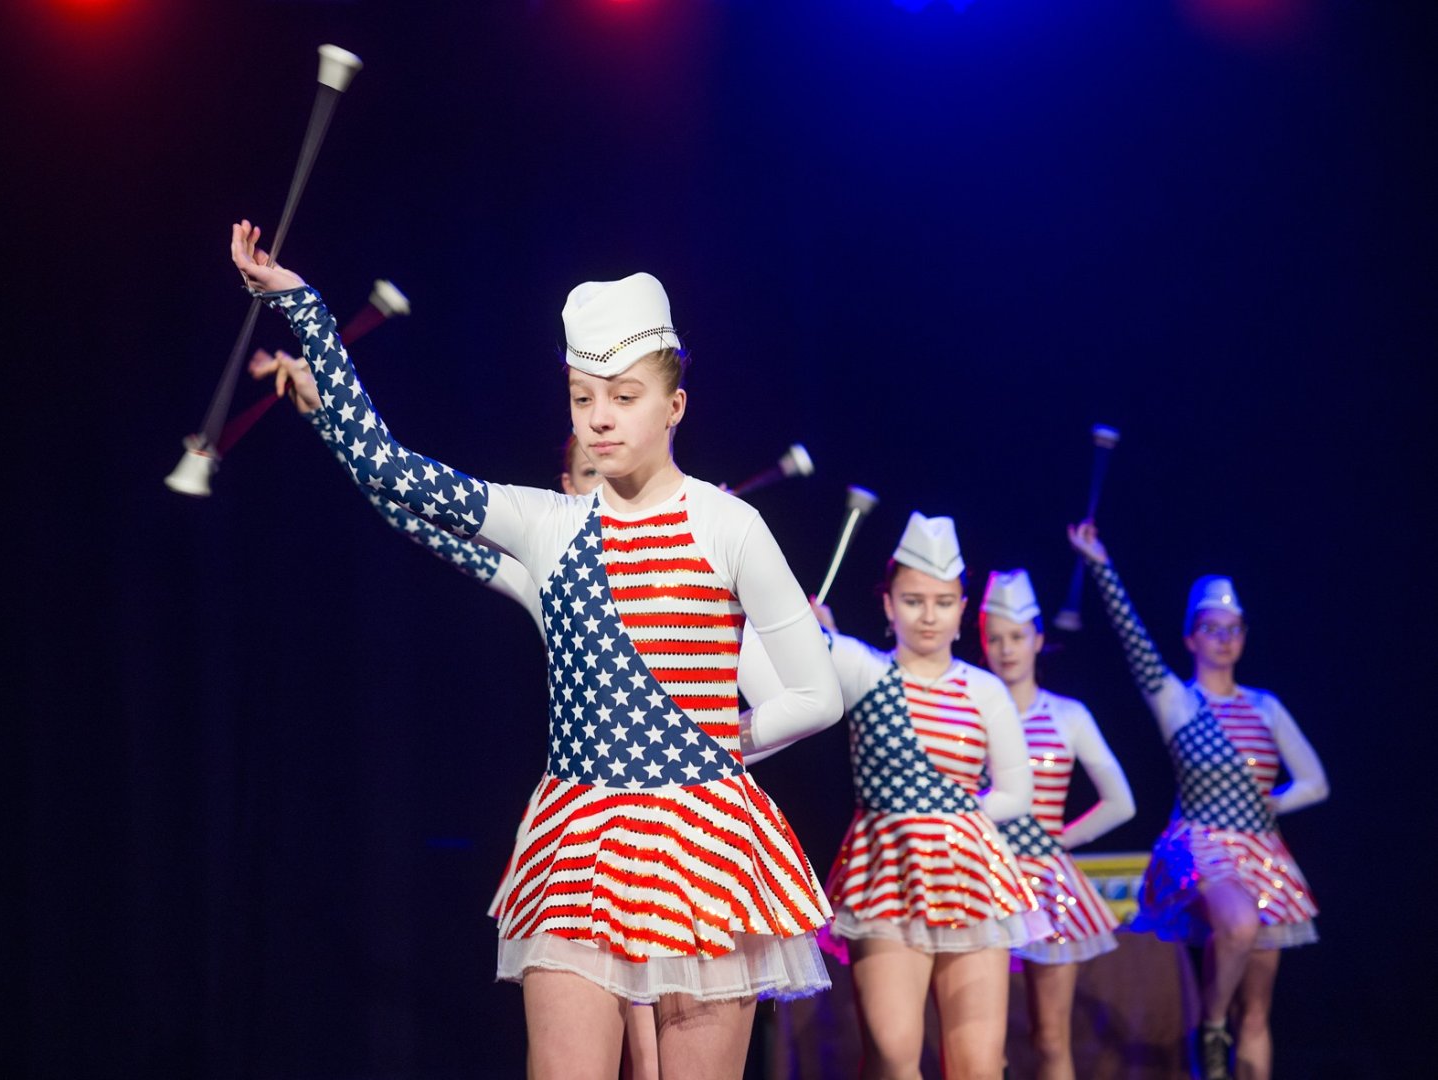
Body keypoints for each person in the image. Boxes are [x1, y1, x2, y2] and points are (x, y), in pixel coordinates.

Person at [229, 220, 843, 1080]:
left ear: (674, 405)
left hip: (703, 841)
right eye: (583, 397)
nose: (600, 418)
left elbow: (817, 694)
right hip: (580, 840)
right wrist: (305, 309)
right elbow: (388, 472)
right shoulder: (548, 525)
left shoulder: (729, 525)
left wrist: (716, 746)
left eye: (623, 396)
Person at [1066, 522, 1327, 1080]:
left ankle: (1221, 1043)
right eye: (1211, 628)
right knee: (1239, 924)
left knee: (1256, 1012)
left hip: (1263, 854)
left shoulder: (1265, 706)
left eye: (1233, 630)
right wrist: (1101, 566)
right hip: (1201, 843)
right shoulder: (1177, 702)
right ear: (1191, 638)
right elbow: (1135, 642)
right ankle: (1209, 1025)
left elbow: (1314, 782)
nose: (1224, 639)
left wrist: (1273, 804)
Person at [812, 512, 1041, 1080]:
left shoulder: (985, 689)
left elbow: (1016, 792)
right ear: (889, 605)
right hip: (885, 873)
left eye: (943, 602)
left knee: (978, 1066)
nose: (929, 616)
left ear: (963, 609)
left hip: (970, 875)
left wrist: (949, 821)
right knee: (893, 1056)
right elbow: (784, 629)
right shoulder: (864, 668)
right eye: (914, 601)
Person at [977, 569, 1135, 1080]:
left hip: (1047, 884)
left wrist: (1061, 838)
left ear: (1039, 639)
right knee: (980, 1042)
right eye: (995, 638)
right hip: (981, 879)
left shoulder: (1069, 715)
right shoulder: (968, 712)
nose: (1007, 649)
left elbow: (1121, 802)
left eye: (1017, 636)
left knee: (1050, 1038)